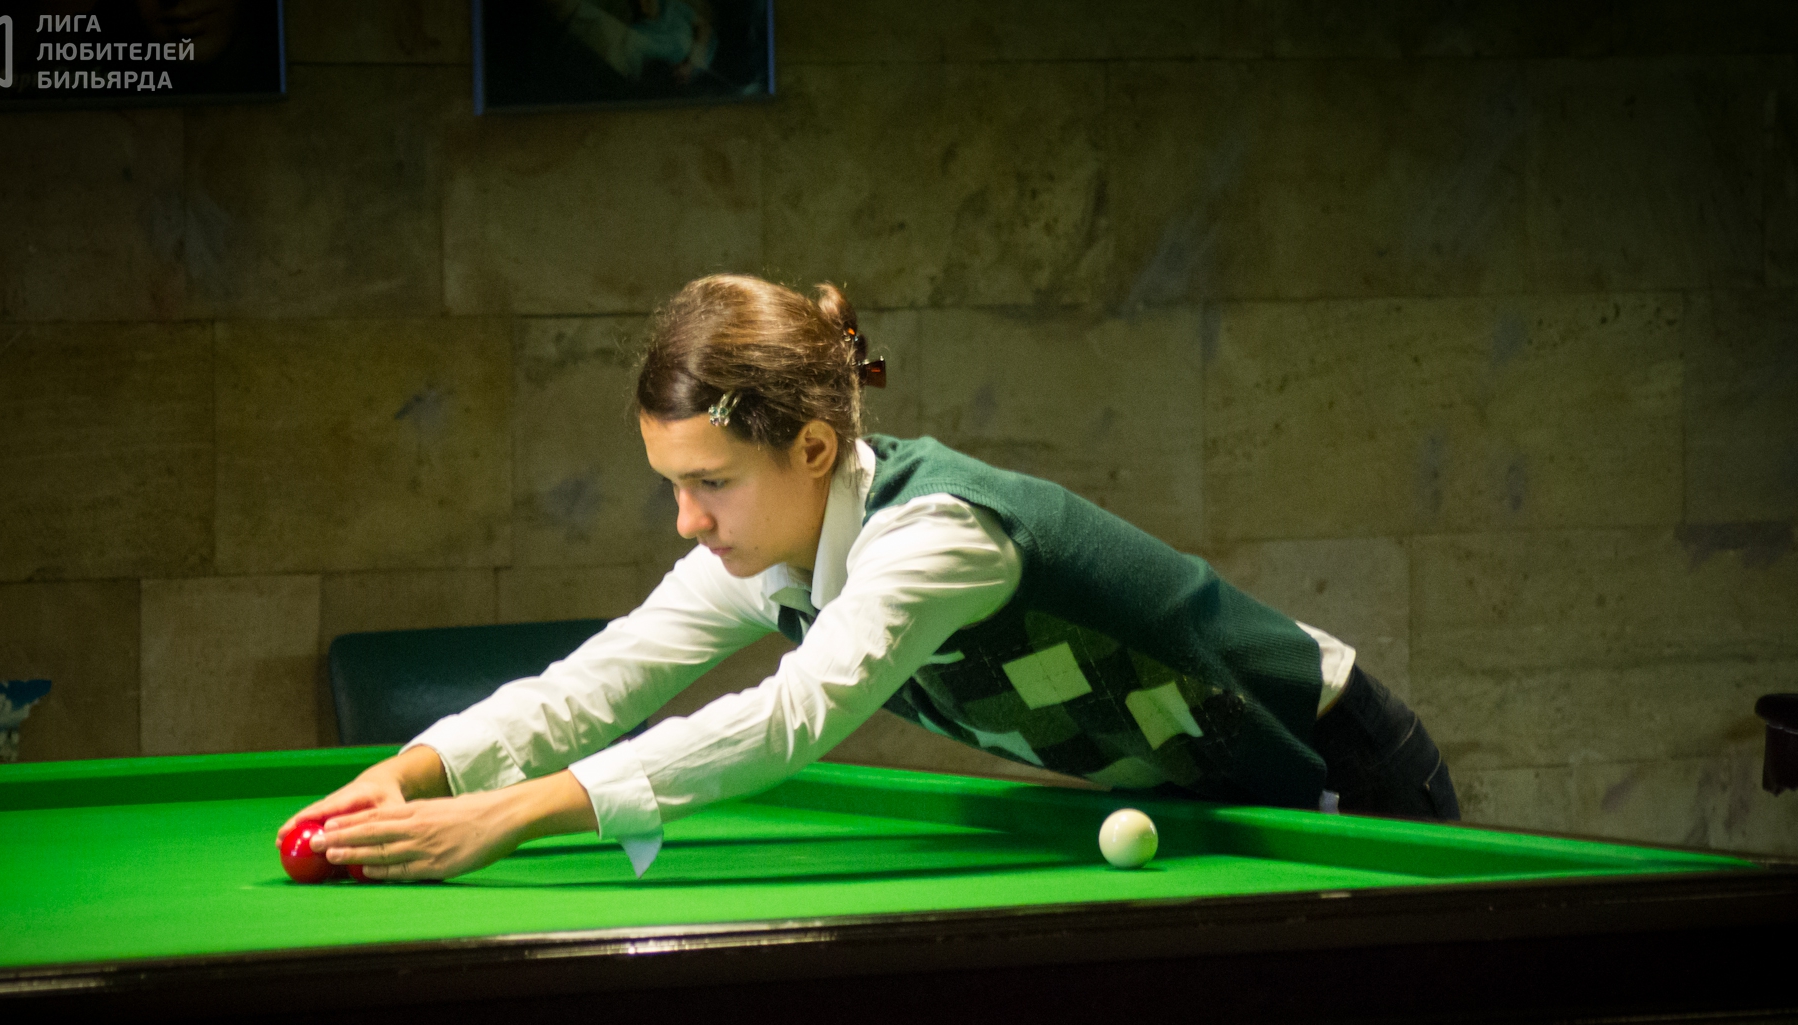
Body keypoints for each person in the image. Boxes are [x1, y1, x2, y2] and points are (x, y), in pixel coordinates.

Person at [289, 275, 1459, 882]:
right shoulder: (764, 557)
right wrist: (419, 770)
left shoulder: (939, 535)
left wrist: (513, 813)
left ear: (812, 448)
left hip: (1334, 763)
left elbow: (792, 717)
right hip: (1207, 798)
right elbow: (595, 682)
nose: (687, 522)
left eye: (710, 484)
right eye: (670, 486)